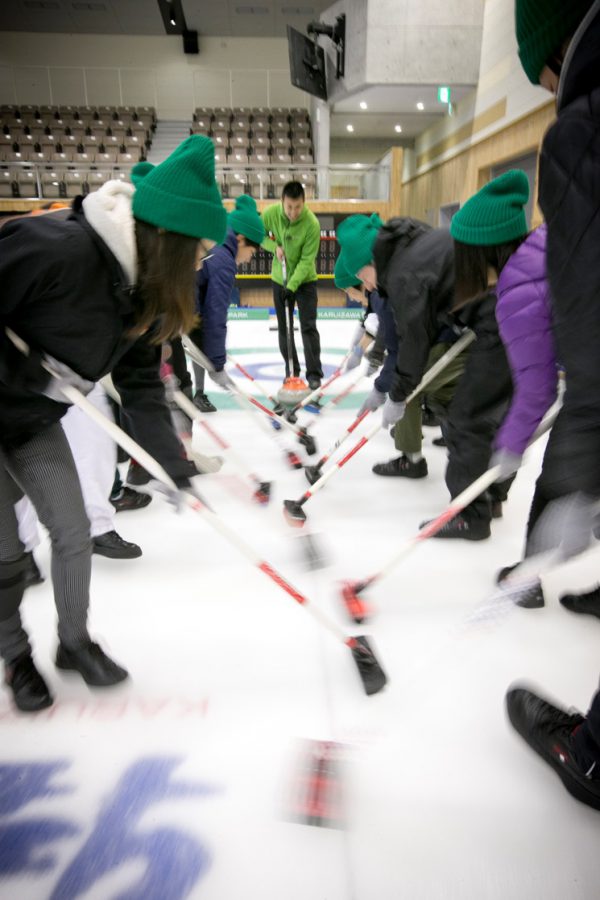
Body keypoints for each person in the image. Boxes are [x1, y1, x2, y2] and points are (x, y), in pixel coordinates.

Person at [0, 134, 227, 713]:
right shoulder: (57, 248)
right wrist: (20, 365)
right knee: (4, 555)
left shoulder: (136, 291)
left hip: (31, 420)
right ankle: (16, 658)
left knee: (74, 532)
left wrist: (172, 467)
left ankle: (74, 643)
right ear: (170, 240)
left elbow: (143, 387)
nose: (200, 263)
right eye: (198, 250)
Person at [503, 0, 600, 811]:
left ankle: (594, 758)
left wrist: (566, 483)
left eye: (544, 75)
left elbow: (565, 381)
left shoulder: (585, 129)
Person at [448, 169, 558, 561]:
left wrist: (510, 446)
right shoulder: (546, 243)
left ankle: (530, 577)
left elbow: (537, 388)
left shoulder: (515, 293)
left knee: (563, 480)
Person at [188, 193, 265, 411]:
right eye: (251, 253)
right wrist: (218, 364)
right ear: (240, 239)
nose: (249, 259)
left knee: (200, 339)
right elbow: (216, 312)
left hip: (179, 308)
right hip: (176, 310)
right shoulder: (224, 261)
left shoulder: (216, 244)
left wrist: (214, 358)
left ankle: (197, 393)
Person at [261, 181, 323, 390]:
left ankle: (314, 373)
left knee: (308, 326)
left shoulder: (312, 224)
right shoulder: (271, 214)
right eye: (289, 207)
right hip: (280, 279)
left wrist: (293, 286)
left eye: (298, 207)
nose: (293, 212)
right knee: (284, 328)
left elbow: (307, 261)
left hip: (305, 282)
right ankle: (291, 370)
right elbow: (258, 234)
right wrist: (273, 246)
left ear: (304, 203)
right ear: (282, 202)